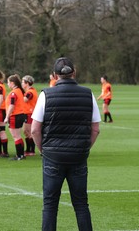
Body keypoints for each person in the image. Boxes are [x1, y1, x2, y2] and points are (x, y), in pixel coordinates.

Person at [31, 57, 101, 231]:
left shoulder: (45, 94)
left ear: (55, 76)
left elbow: (34, 129)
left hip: (52, 156)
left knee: (50, 204)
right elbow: (95, 129)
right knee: (81, 204)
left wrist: (43, 149)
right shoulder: (88, 93)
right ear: (74, 73)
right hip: (78, 156)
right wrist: (84, 148)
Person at [4, 74, 26, 160]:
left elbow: (12, 106)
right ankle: (22, 155)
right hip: (21, 114)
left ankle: (19, 155)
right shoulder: (19, 90)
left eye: (8, 82)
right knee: (18, 136)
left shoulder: (13, 93)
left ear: (12, 83)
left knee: (16, 136)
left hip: (15, 116)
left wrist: (7, 117)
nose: (8, 84)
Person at [21, 75, 38, 156]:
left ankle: (31, 150)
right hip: (27, 113)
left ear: (27, 83)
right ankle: (28, 149)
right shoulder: (29, 91)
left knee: (28, 131)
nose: (21, 84)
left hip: (30, 113)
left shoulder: (30, 92)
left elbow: (25, 99)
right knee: (26, 131)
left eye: (22, 82)